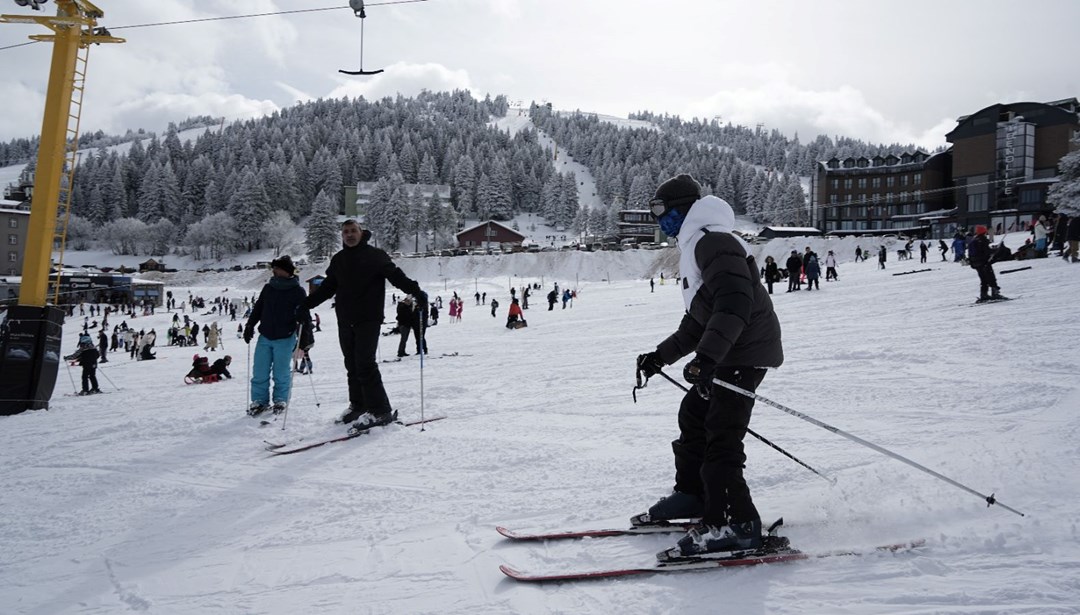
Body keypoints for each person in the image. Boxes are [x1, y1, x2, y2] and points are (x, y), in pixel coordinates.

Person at [635, 174, 784, 558]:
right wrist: (660, 356)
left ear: (681, 208)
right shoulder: (700, 244)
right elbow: (699, 319)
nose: (657, 219)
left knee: (721, 434)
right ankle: (695, 495)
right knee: (695, 414)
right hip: (730, 351)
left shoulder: (713, 241)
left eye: (659, 210)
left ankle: (735, 523)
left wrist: (707, 359)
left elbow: (735, 305)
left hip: (743, 352)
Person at [302, 219, 424, 432]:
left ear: (361, 233)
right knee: (351, 364)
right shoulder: (339, 259)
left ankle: (380, 410)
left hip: (368, 317)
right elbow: (327, 288)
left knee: (365, 364)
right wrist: (305, 305)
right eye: (345, 232)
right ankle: (358, 405)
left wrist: (416, 291)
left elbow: (396, 276)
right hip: (344, 318)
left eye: (353, 231)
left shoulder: (375, 255)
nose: (349, 235)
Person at [244, 255, 313, 417]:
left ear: (287, 271)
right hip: (265, 335)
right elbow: (259, 307)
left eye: (278, 269)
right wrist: (249, 325)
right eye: (274, 269)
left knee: (281, 372)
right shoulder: (269, 288)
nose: (275, 272)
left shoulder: (297, 291)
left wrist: (304, 342)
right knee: (260, 370)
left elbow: (305, 318)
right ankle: (259, 401)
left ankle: (280, 399)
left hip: (285, 337)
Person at [968, 225, 1005, 302]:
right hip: (984, 263)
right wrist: (995, 250)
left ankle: (984, 294)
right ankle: (995, 293)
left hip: (976, 264)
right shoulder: (983, 240)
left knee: (983, 279)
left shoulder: (973, 240)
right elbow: (986, 251)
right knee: (991, 277)